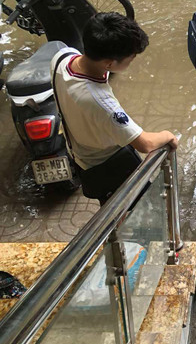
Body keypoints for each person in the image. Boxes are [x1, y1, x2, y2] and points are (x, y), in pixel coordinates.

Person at [52, 12, 178, 204]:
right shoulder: (100, 102)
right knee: (133, 206)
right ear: (109, 63)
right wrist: (167, 136)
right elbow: (145, 143)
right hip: (107, 165)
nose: (131, 62)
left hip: (79, 153)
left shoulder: (62, 57)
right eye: (130, 59)